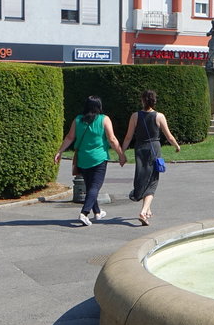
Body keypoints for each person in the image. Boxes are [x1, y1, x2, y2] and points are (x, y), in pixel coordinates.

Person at [54, 95, 126, 226]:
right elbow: (112, 139)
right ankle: (84, 213)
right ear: (99, 106)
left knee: (90, 187)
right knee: (95, 187)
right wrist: (121, 154)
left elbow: (70, 138)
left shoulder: (78, 120)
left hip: (83, 158)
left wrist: (60, 151)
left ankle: (97, 212)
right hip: (99, 158)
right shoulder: (104, 119)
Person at [120, 89, 181, 226]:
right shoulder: (159, 116)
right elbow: (169, 136)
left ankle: (147, 210)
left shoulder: (135, 116)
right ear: (154, 101)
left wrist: (122, 153)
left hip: (140, 149)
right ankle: (143, 211)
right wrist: (177, 146)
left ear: (142, 100)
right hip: (154, 149)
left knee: (143, 176)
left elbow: (128, 137)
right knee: (153, 180)